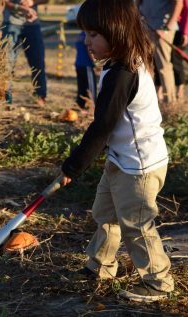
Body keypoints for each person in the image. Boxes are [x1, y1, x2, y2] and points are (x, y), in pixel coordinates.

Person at [59, 0, 174, 303]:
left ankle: (158, 282)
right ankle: (101, 265)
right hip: (122, 160)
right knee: (106, 214)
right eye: (86, 34)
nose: (88, 42)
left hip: (139, 167)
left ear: (118, 33)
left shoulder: (123, 73)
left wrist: (73, 166)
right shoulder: (119, 64)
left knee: (136, 223)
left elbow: (102, 127)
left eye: (94, 35)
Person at [1, 0, 49, 106]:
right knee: (6, 62)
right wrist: (21, 7)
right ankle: (6, 98)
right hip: (11, 23)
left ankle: (40, 95)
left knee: (38, 61)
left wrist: (31, 2)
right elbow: (4, 1)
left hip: (32, 24)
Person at [138, 0, 183, 108]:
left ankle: (170, 103)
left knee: (163, 66)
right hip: (146, 28)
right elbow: (137, 4)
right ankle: (148, 102)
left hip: (162, 30)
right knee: (145, 66)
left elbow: (178, 4)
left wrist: (166, 28)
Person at [156, 0, 188, 100]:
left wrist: (185, 32)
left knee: (176, 61)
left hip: (178, 30)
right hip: (166, 28)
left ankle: (179, 90)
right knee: (160, 61)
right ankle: (160, 90)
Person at [74, 31, 97, 110]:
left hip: (78, 64)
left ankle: (80, 105)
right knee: (91, 88)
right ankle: (93, 106)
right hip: (86, 64)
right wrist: (95, 63)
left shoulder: (81, 34)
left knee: (82, 87)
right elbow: (89, 49)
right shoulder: (88, 34)